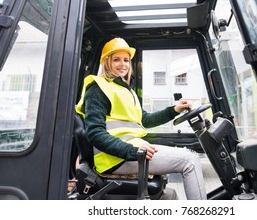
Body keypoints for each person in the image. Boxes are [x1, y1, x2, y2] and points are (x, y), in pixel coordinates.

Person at [76, 37, 207, 200]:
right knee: (191, 161)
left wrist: (174, 110)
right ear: (106, 62)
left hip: (132, 151)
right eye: (116, 59)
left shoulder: (124, 90)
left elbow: (145, 119)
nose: (123, 64)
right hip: (116, 158)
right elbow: (95, 134)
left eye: (126, 60)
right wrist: (132, 152)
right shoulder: (98, 89)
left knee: (189, 157)